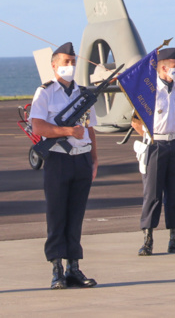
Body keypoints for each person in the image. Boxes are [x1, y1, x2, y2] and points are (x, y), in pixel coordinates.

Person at [30, 42, 98, 289]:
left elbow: (90, 128)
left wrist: (94, 158)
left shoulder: (83, 93)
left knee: (76, 215)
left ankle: (74, 268)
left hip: (81, 158)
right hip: (58, 159)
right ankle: (56, 269)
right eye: (65, 62)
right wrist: (67, 130)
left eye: (72, 62)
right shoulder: (45, 92)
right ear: (54, 65)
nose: (70, 66)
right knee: (57, 215)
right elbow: (38, 126)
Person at [134, 48, 175, 256]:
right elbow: (135, 120)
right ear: (163, 67)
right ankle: (148, 238)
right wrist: (148, 135)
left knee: (174, 193)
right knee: (152, 194)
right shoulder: (149, 90)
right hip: (156, 145)